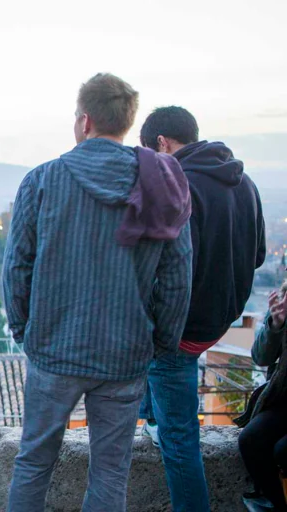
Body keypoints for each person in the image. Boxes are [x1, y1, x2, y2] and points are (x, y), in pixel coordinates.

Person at [2, 73, 193, 512]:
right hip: (124, 351)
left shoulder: (43, 180)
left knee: (34, 462)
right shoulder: (163, 182)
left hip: (54, 346)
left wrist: (24, 329)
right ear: (126, 123)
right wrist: (159, 341)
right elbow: (178, 276)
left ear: (85, 121)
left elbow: (17, 266)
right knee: (110, 471)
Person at [137, 106, 266, 511]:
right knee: (154, 379)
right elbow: (259, 254)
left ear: (163, 143)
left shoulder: (178, 187)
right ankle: (151, 417)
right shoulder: (244, 182)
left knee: (180, 440)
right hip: (218, 319)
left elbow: (162, 270)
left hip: (181, 328)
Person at [238, 286, 287, 511]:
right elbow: (261, 357)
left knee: (282, 450)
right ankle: (276, 503)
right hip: (283, 402)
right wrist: (275, 325)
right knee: (251, 439)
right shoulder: (284, 300)